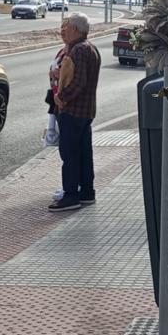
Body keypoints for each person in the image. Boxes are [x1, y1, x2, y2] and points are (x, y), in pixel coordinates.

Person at [49, 12, 100, 212]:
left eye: (67, 26)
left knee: (69, 154)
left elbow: (78, 82)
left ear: (77, 30)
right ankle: (87, 192)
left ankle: (71, 195)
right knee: (84, 153)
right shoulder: (91, 48)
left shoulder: (78, 50)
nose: (64, 30)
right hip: (86, 111)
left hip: (73, 110)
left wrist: (61, 98)